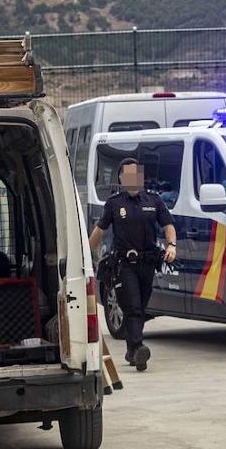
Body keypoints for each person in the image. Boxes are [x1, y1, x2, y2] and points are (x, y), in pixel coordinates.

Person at [88, 158, 177, 372]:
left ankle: (131, 350)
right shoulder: (114, 203)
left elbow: (168, 225)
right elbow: (100, 231)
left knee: (139, 308)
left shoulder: (153, 200)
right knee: (133, 306)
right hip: (124, 264)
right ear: (121, 178)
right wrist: (85, 254)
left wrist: (172, 245)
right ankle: (138, 348)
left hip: (147, 263)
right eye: (128, 175)